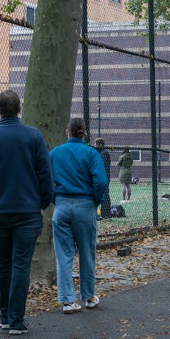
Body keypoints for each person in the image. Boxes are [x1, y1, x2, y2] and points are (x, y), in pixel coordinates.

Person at [0, 90, 54, 335]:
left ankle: (5, 316)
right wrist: (43, 202)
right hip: (28, 210)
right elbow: (45, 175)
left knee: (3, 264)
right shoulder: (33, 137)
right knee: (20, 265)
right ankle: (16, 319)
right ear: (19, 109)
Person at [50, 118, 109, 314]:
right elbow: (100, 181)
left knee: (64, 255)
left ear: (67, 132)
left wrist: (54, 199)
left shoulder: (55, 153)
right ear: (84, 133)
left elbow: (46, 179)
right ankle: (89, 296)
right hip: (85, 205)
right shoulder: (91, 153)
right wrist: (96, 200)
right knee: (87, 253)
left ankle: (67, 301)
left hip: (62, 205)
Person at [94, 138, 112, 220]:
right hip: (102, 177)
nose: (94, 146)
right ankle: (105, 213)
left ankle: (106, 213)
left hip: (103, 177)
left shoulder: (104, 153)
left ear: (100, 145)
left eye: (96, 144)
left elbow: (102, 166)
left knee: (104, 195)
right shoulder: (101, 153)